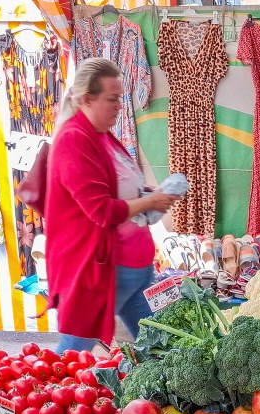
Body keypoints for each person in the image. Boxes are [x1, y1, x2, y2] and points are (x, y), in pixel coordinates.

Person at [46, 58, 180, 353]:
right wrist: (150, 200)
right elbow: (102, 210)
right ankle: (42, 390)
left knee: (158, 348)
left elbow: (117, 186)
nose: (119, 105)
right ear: (87, 99)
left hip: (134, 268)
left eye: (121, 98)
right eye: (112, 98)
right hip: (101, 271)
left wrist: (145, 192)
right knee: (72, 352)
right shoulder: (73, 141)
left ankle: (162, 397)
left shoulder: (102, 135)